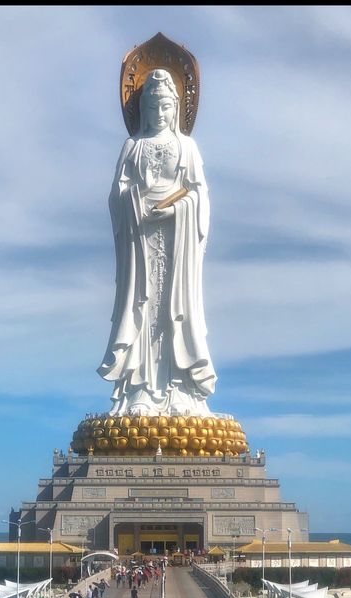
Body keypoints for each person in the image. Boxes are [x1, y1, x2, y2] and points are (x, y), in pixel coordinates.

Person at [98, 68, 217, 416]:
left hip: (176, 243)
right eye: (152, 108)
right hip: (140, 241)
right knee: (141, 308)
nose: (159, 115)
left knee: (174, 311)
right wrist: (133, 201)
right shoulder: (133, 147)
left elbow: (199, 195)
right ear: (143, 110)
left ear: (176, 108)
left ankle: (179, 387)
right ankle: (140, 389)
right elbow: (116, 194)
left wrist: (180, 208)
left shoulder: (187, 146)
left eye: (165, 106)